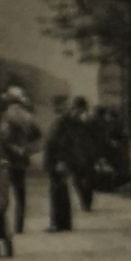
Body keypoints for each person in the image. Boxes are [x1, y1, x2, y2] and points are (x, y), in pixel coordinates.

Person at [0, 85, 41, 234]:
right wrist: (26, 149)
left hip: (7, 159)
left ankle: (1, 224)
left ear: (9, 100)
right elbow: (38, 135)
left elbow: (4, 136)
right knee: (20, 192)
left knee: (3, 192)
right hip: (22, 160)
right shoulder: (28, 115)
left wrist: (12, 148)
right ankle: (19, 226)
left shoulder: (7, 115)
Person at [44, 97, 84, 231]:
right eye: (78, 111)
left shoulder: (70, 121)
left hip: (62, 160)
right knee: (57, 192)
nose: (79, 114)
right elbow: (55, 143)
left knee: (62, 191)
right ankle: (57, 223)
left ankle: (64, 223)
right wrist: (59, 161)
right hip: (56, 160)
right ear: (73, 108)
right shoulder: (61, 122)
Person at [69, 96, 97, 212]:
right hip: (83, 153)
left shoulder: (81, 119)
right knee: (84, 179)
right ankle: (86, 202)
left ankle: (85, 202)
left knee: (79, 179)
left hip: (81, 153)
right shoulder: (87, 118)